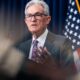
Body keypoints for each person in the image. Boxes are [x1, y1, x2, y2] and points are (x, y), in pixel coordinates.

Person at [15, 0, 77, 80]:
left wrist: (53, 68)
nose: (33, 19)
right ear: (26, 21)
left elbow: (71, 77)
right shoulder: (21, 47)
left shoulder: (63, 43)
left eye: (38, 15)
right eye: (29, 16)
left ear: (48, 19)